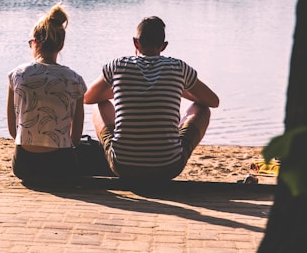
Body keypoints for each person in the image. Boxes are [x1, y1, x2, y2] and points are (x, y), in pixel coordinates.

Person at [84, 16, 220, 185]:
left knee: (100, 105)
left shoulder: (118, 65)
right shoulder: (178, 67)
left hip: (123, 166)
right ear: (163, 46)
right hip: (168, 166)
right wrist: (177, 87)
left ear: (135, 43)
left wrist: (123, 88)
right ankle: (167, 142)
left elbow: (88, 97)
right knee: (202, 108)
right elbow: (213, 101)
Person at [7, 3, 87, 185]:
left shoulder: (17, 74)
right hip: (61, 166)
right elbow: (75, 138)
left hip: (24, 165)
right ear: (61, 45)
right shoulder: (74, 79)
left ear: (35, 42)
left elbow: (14, 131)